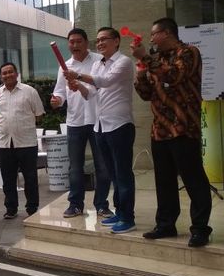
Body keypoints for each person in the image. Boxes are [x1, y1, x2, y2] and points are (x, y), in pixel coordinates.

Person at [132, 17, 212, 247]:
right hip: (160, 129)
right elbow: (146, 94)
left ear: (167, 33)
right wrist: (140, 74)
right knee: (164, 181)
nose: (151, 39)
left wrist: (145, 58)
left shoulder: (189, 52)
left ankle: (200, 228)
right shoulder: (156, 59)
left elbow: (174, 76)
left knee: (193, 179)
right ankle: (166, 224)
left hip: (184, 126)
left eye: (154, 34)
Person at [63, 27, 136, 234]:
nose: (101, 43)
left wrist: (78, 75)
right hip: (101, 125)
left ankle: (128, 217)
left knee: (123, 174)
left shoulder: (124, 62)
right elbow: (92, 93)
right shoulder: (97, 64)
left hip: (120, 124)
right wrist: (78, 86)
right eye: (99, 40)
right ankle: (120, 212)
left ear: (117, 41)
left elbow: (106, 81)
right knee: (113, 173)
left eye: (105, 39)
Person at [51, 28, 112, 220]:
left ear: (86, 43)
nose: (75, 45)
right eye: (71, 42)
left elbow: (103, 86)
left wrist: (80, 84)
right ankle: (75, 204)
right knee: (75, 167)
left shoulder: (98, 61)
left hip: (97, 120)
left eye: (78, 41)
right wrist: (57, 100)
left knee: (102, 166)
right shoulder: (65, 66)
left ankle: (102, 205)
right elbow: (60, 92)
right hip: (75, 121)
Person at [0, 62, 45, 219]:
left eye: (10, 72)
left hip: (26, 142)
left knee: (30, 178)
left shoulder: (29, 91)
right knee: (8, 179)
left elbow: (39, 114)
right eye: (4, 73)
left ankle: (32, 208)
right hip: (4, 143)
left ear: (16, 73)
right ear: (1, 76)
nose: (7, 75)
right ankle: (11, 208)